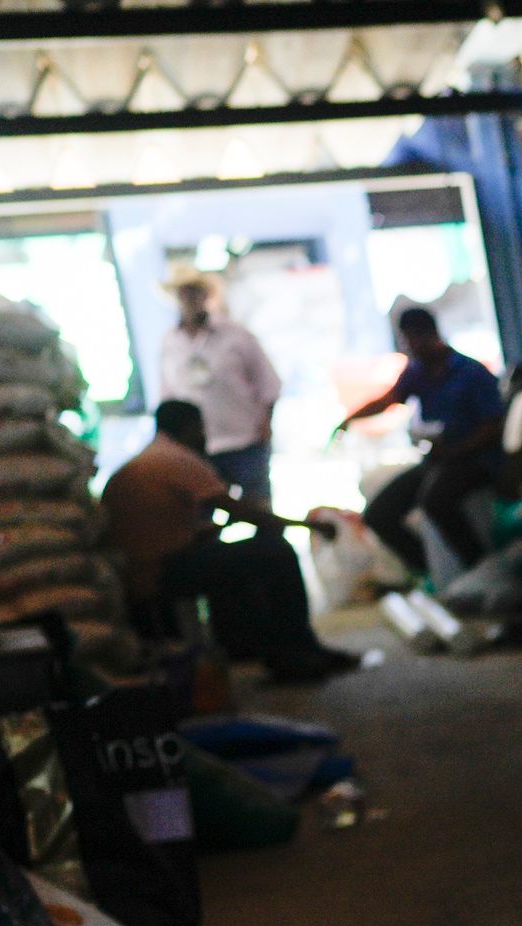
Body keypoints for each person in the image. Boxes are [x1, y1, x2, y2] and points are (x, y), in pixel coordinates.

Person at [102, 400, 358, 682]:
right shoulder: (177, 459)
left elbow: (162, 533)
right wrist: (308, 525)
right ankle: (298, 653)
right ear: (190, 428)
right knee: (275, 552)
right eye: (200, 429)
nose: (204, 437)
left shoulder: (151, 458)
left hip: (144, 568)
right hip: (159, 572)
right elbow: (243, 512)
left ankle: (249, 647)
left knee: (232, 558)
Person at [336, 304, 505, 570]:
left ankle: (480, 566)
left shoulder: (471, 373)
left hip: (477, 461)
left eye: (412, 339)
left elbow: (494, 427)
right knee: (380, 514)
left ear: (430, 334)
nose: (409, 347)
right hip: (440, 460)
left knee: (436, 500)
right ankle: (428, 571)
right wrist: (350, 419)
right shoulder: (417, 372)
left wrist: (456, 451)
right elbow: (390, 399)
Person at [154, 274, 280, 511]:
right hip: (198, 449)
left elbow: (269, 384)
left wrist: (265, 424)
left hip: (244, 441)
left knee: (258, 508)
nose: (190, 300)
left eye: (196, 292)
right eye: (184, 293)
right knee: (202, 514)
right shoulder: (169, 343)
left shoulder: (236, 335)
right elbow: (167, 397)